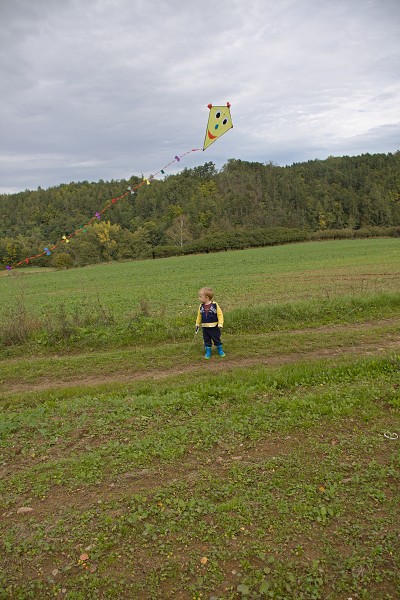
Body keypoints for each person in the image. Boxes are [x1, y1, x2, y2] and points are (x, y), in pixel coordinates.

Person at [195, 287, 226, 359]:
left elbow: (220, 314)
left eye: (200, 296)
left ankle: (220, 350)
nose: (199, 298)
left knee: (216, 339)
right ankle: (208, 352)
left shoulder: (215, 305)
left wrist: (220, 323)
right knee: (206, 340)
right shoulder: (201, 306)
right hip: (205, 327)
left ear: (206, 297)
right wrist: (197, 324)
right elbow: (199, 316)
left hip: (214, 327)